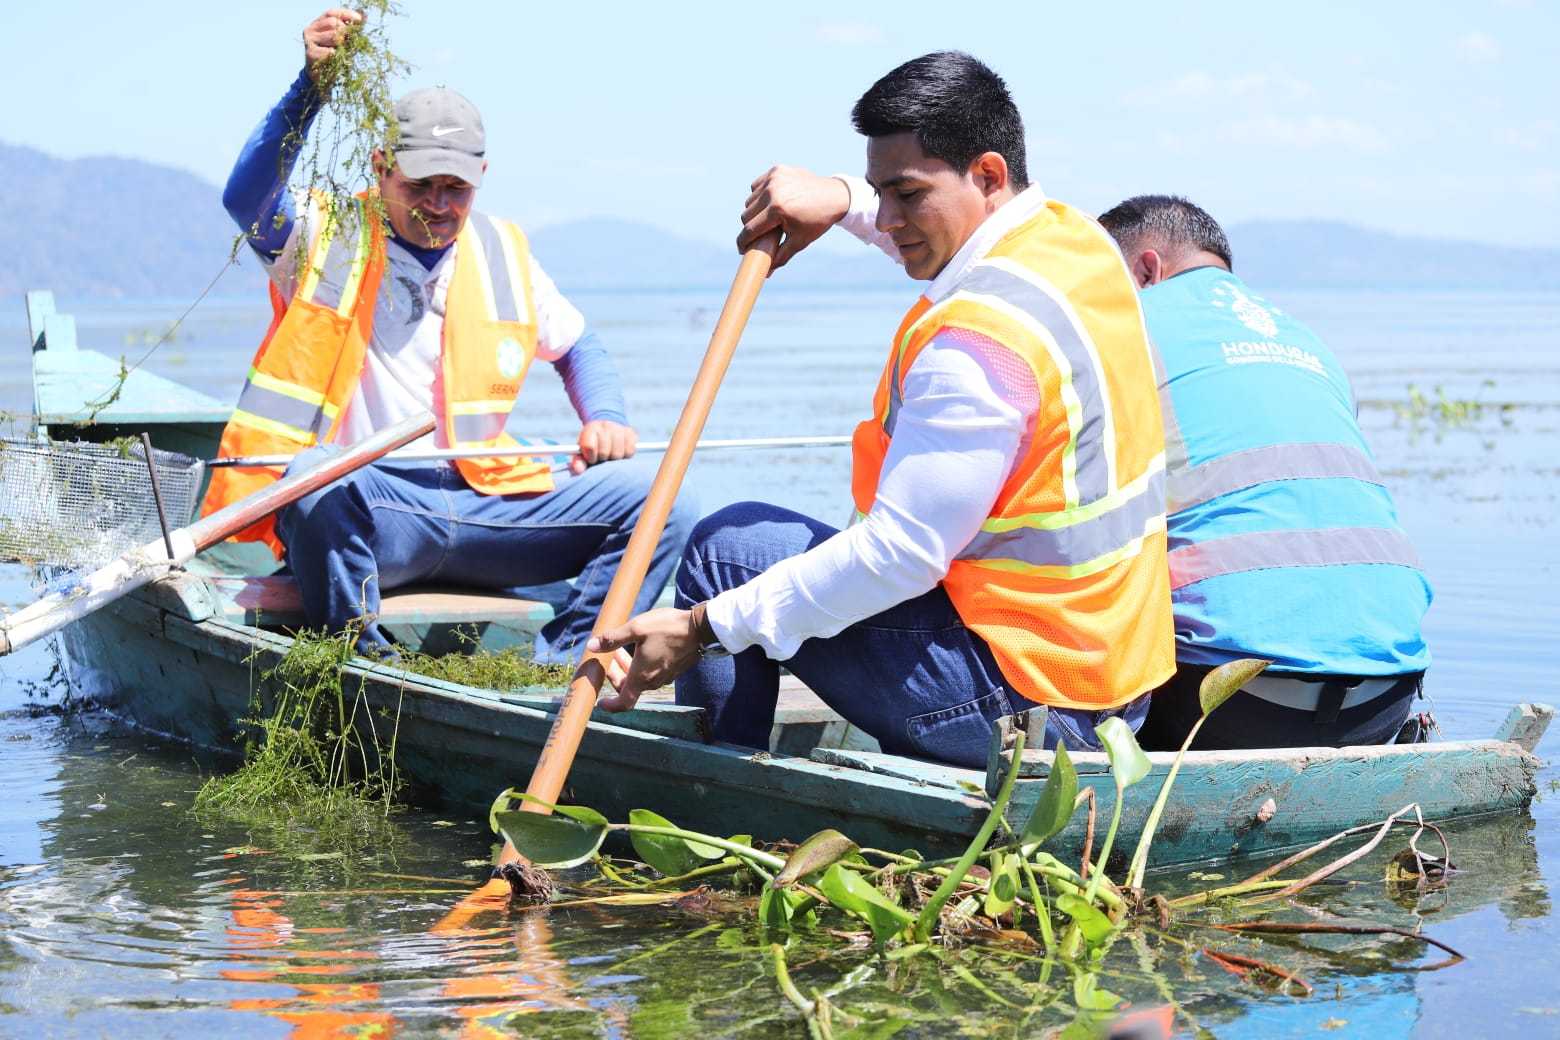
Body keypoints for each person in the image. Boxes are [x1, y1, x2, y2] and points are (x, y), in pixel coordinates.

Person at [590, 52, 1174, 767]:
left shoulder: (978, 345)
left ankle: (713, 789)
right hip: (1107, 687)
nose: (890, 220)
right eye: (880, 194)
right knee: (763, 570)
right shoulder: (1080, 245)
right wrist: (841, 199)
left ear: (988, 175)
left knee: (725, 553)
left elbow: (899, 555)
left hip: (1017, 708)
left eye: (906, 195)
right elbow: (938, 229)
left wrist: (701, 627)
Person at [201, 9, 695, 661]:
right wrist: (310, 89)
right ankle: (361, 657)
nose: (439, 204)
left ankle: (566, 664)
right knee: (313, 479)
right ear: (381, 168)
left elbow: (580, 348)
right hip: (375, 506)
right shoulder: (321, 235)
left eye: (455, 188)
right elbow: (248, 196)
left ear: (482, 177)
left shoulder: (503, 250)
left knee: (666, 504)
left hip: (488, 501)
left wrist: (604, 416)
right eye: (420, 185)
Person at [1096, 195, 1431, 749]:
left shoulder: (1122, 329)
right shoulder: (1307, 342)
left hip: (1224, 703)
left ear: (1146, 270)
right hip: (1386, 698)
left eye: (1101, 281)